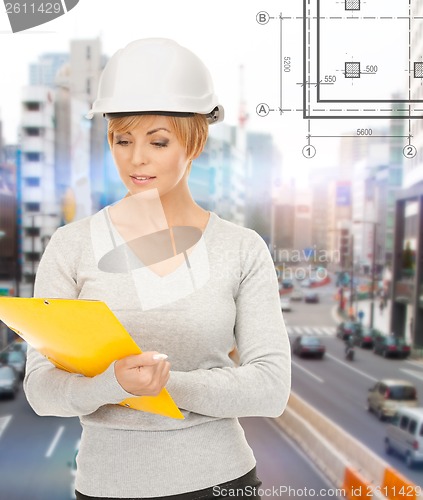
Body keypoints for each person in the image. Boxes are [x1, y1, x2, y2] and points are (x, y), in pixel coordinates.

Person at [23, 38, 291, 499]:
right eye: (122, 140)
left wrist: (165, 386)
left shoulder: (241, 249)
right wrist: (114, 383)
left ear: (195, 142)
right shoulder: (70, 247)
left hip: (221, 482)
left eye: (158, 141)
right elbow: (41, 390)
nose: (136, 158)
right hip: (106, 487)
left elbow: (270, 387)